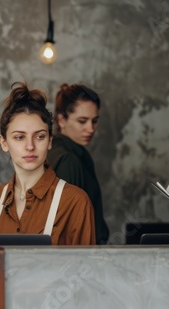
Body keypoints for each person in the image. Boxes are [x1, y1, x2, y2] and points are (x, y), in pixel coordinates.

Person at [0, 82, 96, 245]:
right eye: (19, 137)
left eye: (39, 136)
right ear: (4, 142)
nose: (30, 146)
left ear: (50, 141)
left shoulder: (75, 202)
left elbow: (86, 269)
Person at [47, 83, 109, 244]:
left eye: (94, 121)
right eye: (82, 121)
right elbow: (66, 229)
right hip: (79, 261)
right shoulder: (68, 160)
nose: (90, 128)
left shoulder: (66, 154)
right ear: (61, 120)